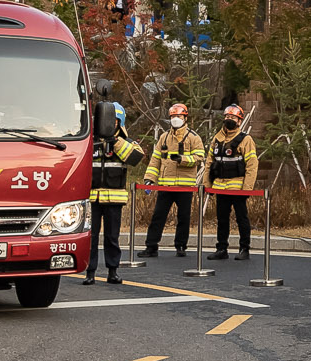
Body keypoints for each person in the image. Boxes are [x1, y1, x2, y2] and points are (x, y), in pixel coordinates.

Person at [139, 102, 208, 260]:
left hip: (185, 187)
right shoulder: (164, 138)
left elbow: (199, 158)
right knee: (158, 216)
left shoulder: (193, 138)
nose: (176, 119)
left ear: (185, 118)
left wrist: (182, 159)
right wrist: (149, 179)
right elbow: (155, 161)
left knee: (183, 217)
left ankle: (181, 246)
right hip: (166, 186)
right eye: (173, 117)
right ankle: (151, 246)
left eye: (179, 116)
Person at [83, 102, 138, 284]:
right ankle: (90, 273)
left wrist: (115, 142)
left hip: (114, 199)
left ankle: (112, 271)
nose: (108, 123)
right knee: (91, 237)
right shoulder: (90, 140)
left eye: (113, 120)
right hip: (92, 198)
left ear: (119, 121)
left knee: (112, 237)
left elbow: (137, 157)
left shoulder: (125, 142)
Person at [205, 104, 260, 261]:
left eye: (233, 118)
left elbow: (252, 165)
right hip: (220, 187)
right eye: (228, 117)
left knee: (242, 218)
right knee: (221, 219)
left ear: (239, 121)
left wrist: (247, 188)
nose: (230, 120)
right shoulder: (217, 139)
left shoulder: (246, 140)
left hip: (237, 186)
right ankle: (221, 248)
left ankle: (244, 248)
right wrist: (207, 185)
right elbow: (209, 162)